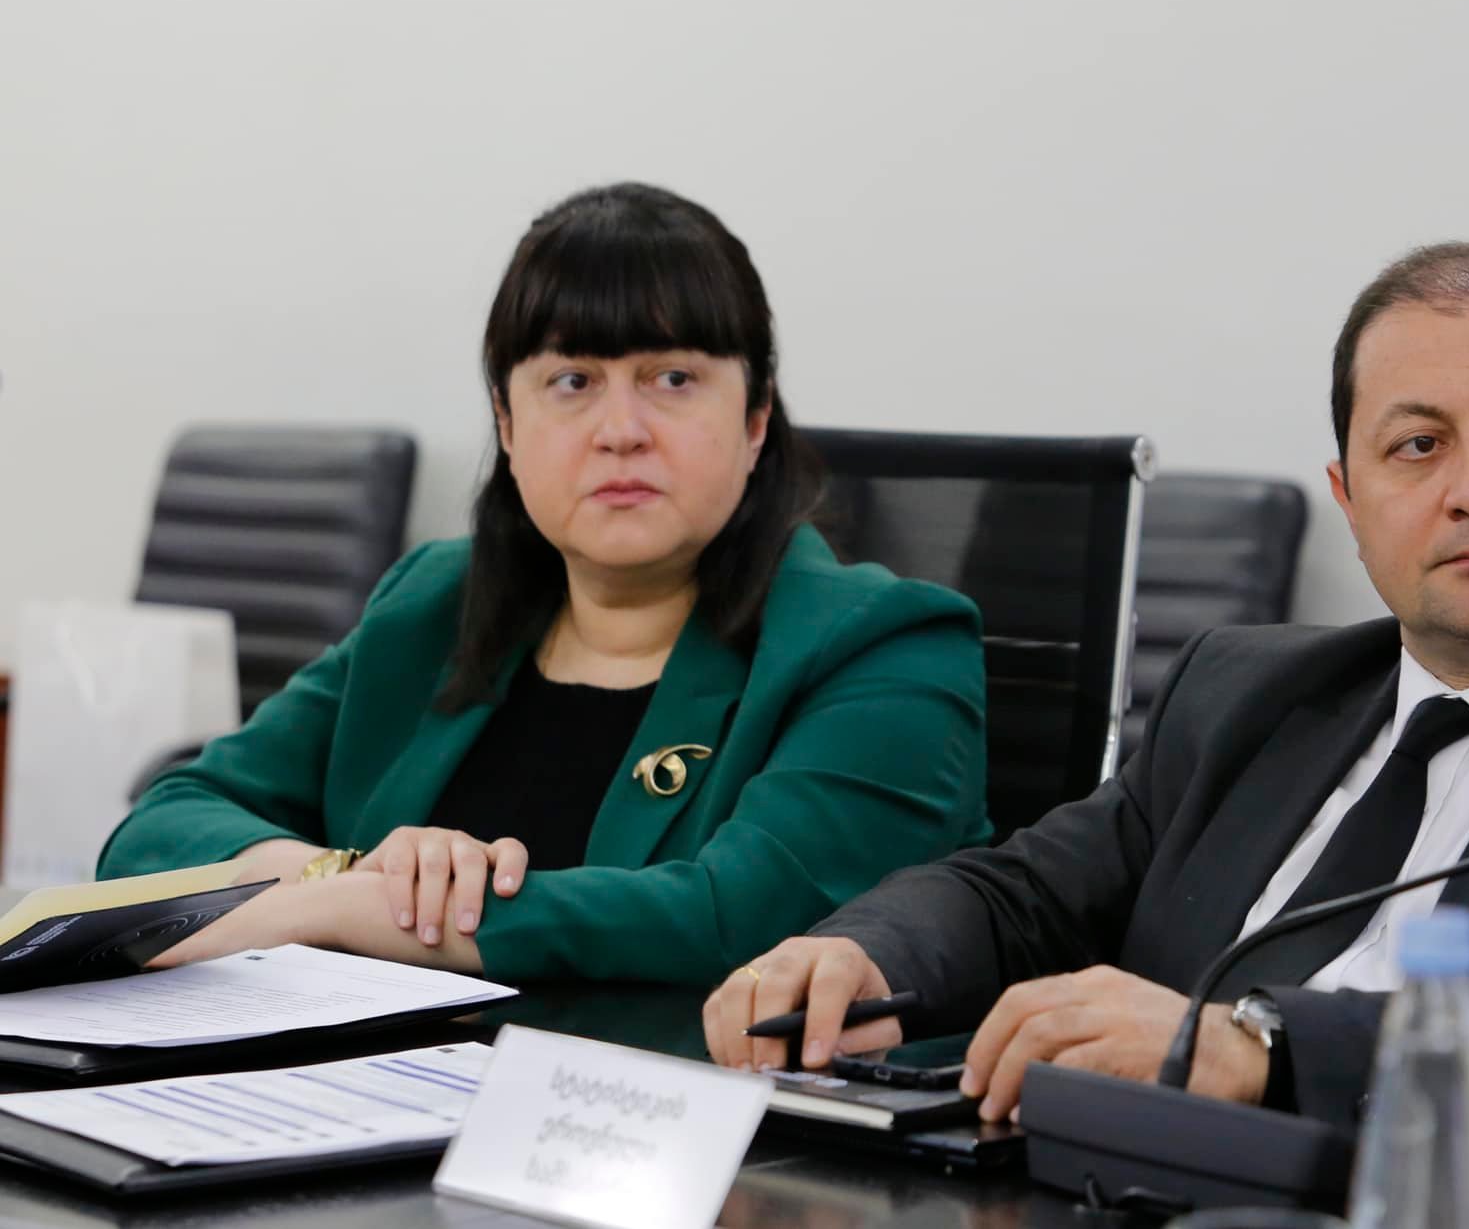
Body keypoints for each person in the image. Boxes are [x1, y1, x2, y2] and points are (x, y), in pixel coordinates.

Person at [703, 241, 1469, 1127]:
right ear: (1349, 499)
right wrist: (862, 955)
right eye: (1416, 446)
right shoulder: (1245, 692)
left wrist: (1261, 1048)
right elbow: (1024, 895)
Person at [99, 182, 990, 984]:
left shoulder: (885, 648)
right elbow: (162, 824)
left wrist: (357, 914)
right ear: (508, 423)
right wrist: (330, 877)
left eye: (672, 378)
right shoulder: (433, 606)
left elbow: (736, 921)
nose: (621, 429)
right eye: (572, 381)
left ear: (756, 419)